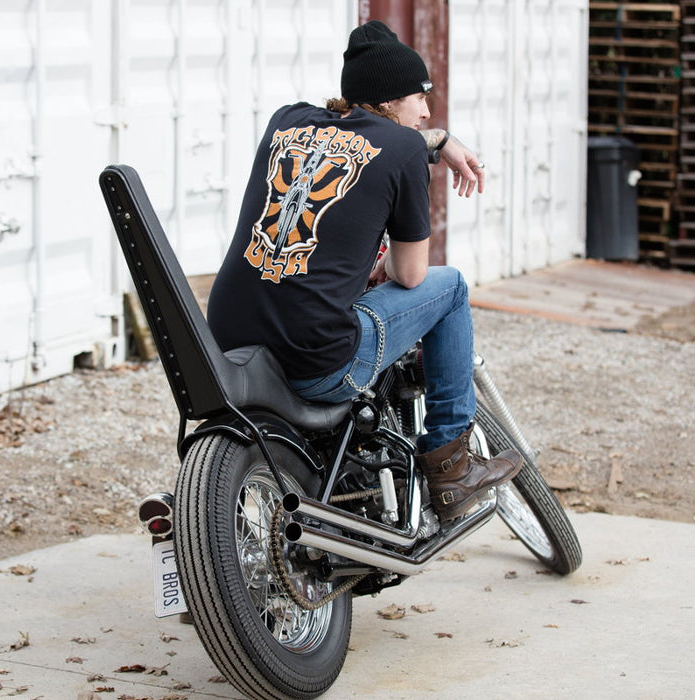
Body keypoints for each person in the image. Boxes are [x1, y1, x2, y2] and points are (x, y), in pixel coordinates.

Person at [208, 19, 522, 521]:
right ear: (393, 98)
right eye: (421, 97)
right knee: (453, 287)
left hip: (229, 345)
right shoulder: (402, 152)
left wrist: (437, 140)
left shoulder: (286, 119)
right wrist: (435, 146)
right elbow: (411, 275)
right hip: (316, 363)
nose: (427, 110)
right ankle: (451, 468)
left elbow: (359, 141)